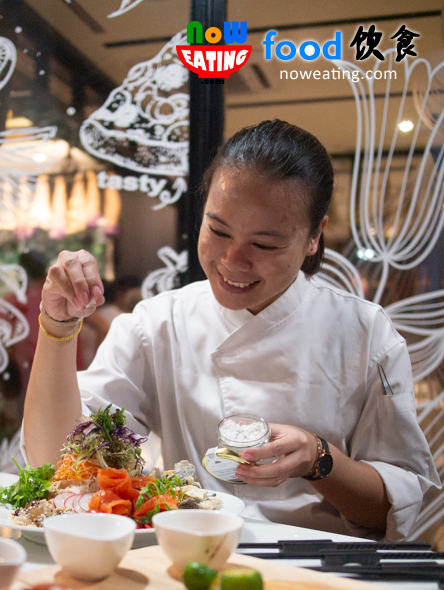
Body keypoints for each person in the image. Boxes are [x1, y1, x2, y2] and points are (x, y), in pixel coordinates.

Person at [23, 120, 439, 540]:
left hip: (320, 568)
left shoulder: (364, 334)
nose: (233, 261)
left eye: (265, 244)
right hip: (191, 559)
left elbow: (387, 508)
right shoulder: (160, 324)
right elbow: (57, 459)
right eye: (218, 230)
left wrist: (318, 459)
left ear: (314, 237)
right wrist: (58, 323)